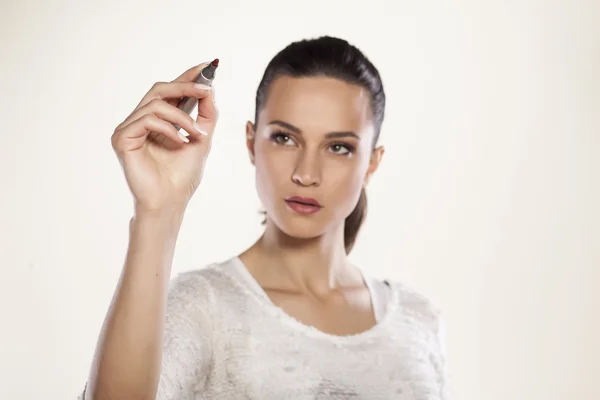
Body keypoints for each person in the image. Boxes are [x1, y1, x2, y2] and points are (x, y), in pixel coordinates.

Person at [81, 36, 449, 400]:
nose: (306, 174)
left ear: (372, 162)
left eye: (339, 147)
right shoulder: (201, 309)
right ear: (251, 143)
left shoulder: (418, 321)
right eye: (285, 139)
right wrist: (157, 212)